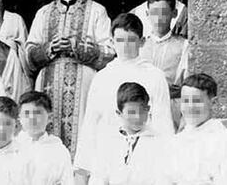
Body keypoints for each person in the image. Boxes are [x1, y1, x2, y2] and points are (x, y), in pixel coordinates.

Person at [26, 0, 115, 157]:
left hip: (84, 86)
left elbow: (110, 53)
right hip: (48, 84)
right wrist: (49, 48)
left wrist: (78, 46)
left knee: (83, 137)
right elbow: (28, 56)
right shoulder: (43, 13)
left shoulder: (96, 11)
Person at [74, 13, 174, 184]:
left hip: (144, 157)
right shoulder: (102, 77)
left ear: (142, 42)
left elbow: (163, 121)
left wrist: (168, 167)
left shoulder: (154, 76)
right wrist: (82, 169)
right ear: (112, 42)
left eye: (131, 40)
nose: (125, 46)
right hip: (107, 157)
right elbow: (91, 123)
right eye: (120, 40)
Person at [169, 73, 227, 184]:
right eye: (186, 101)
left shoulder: (226, 142)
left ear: (213, 103)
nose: (190, 107)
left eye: (197, 101)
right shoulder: (176, 142)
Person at [89, 82, 173, 185]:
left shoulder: (159, 143)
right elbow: (98, 179)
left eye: (142, 111)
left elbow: (163, 180)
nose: (137, 117)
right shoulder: (108, 142)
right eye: (131, 112)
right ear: (119, 113)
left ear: (148, 109)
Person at [139, 0, 188, 130]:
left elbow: (186, 85)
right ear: (147, 14)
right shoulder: (140, 45)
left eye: (164, 12)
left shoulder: (183, 46)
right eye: (154, 13)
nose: (159, 18)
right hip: (143, 109)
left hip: (171, 108)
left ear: (174, 13)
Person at [17, 91, 73, 185]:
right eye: (27, 114)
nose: (32, 119)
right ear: (19, 118)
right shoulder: (13, 147)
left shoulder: (58, 151)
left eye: (37, 113)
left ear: (49, 117)